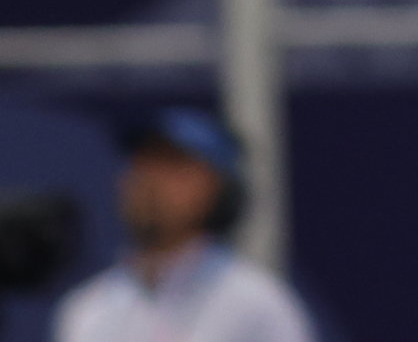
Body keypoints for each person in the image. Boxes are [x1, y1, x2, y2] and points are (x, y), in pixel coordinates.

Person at [50, 109, 303, 342]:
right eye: (143, 163)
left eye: (172, 166)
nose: (150, 182)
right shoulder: (88, 307)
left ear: (217, 189)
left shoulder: (255, 305)